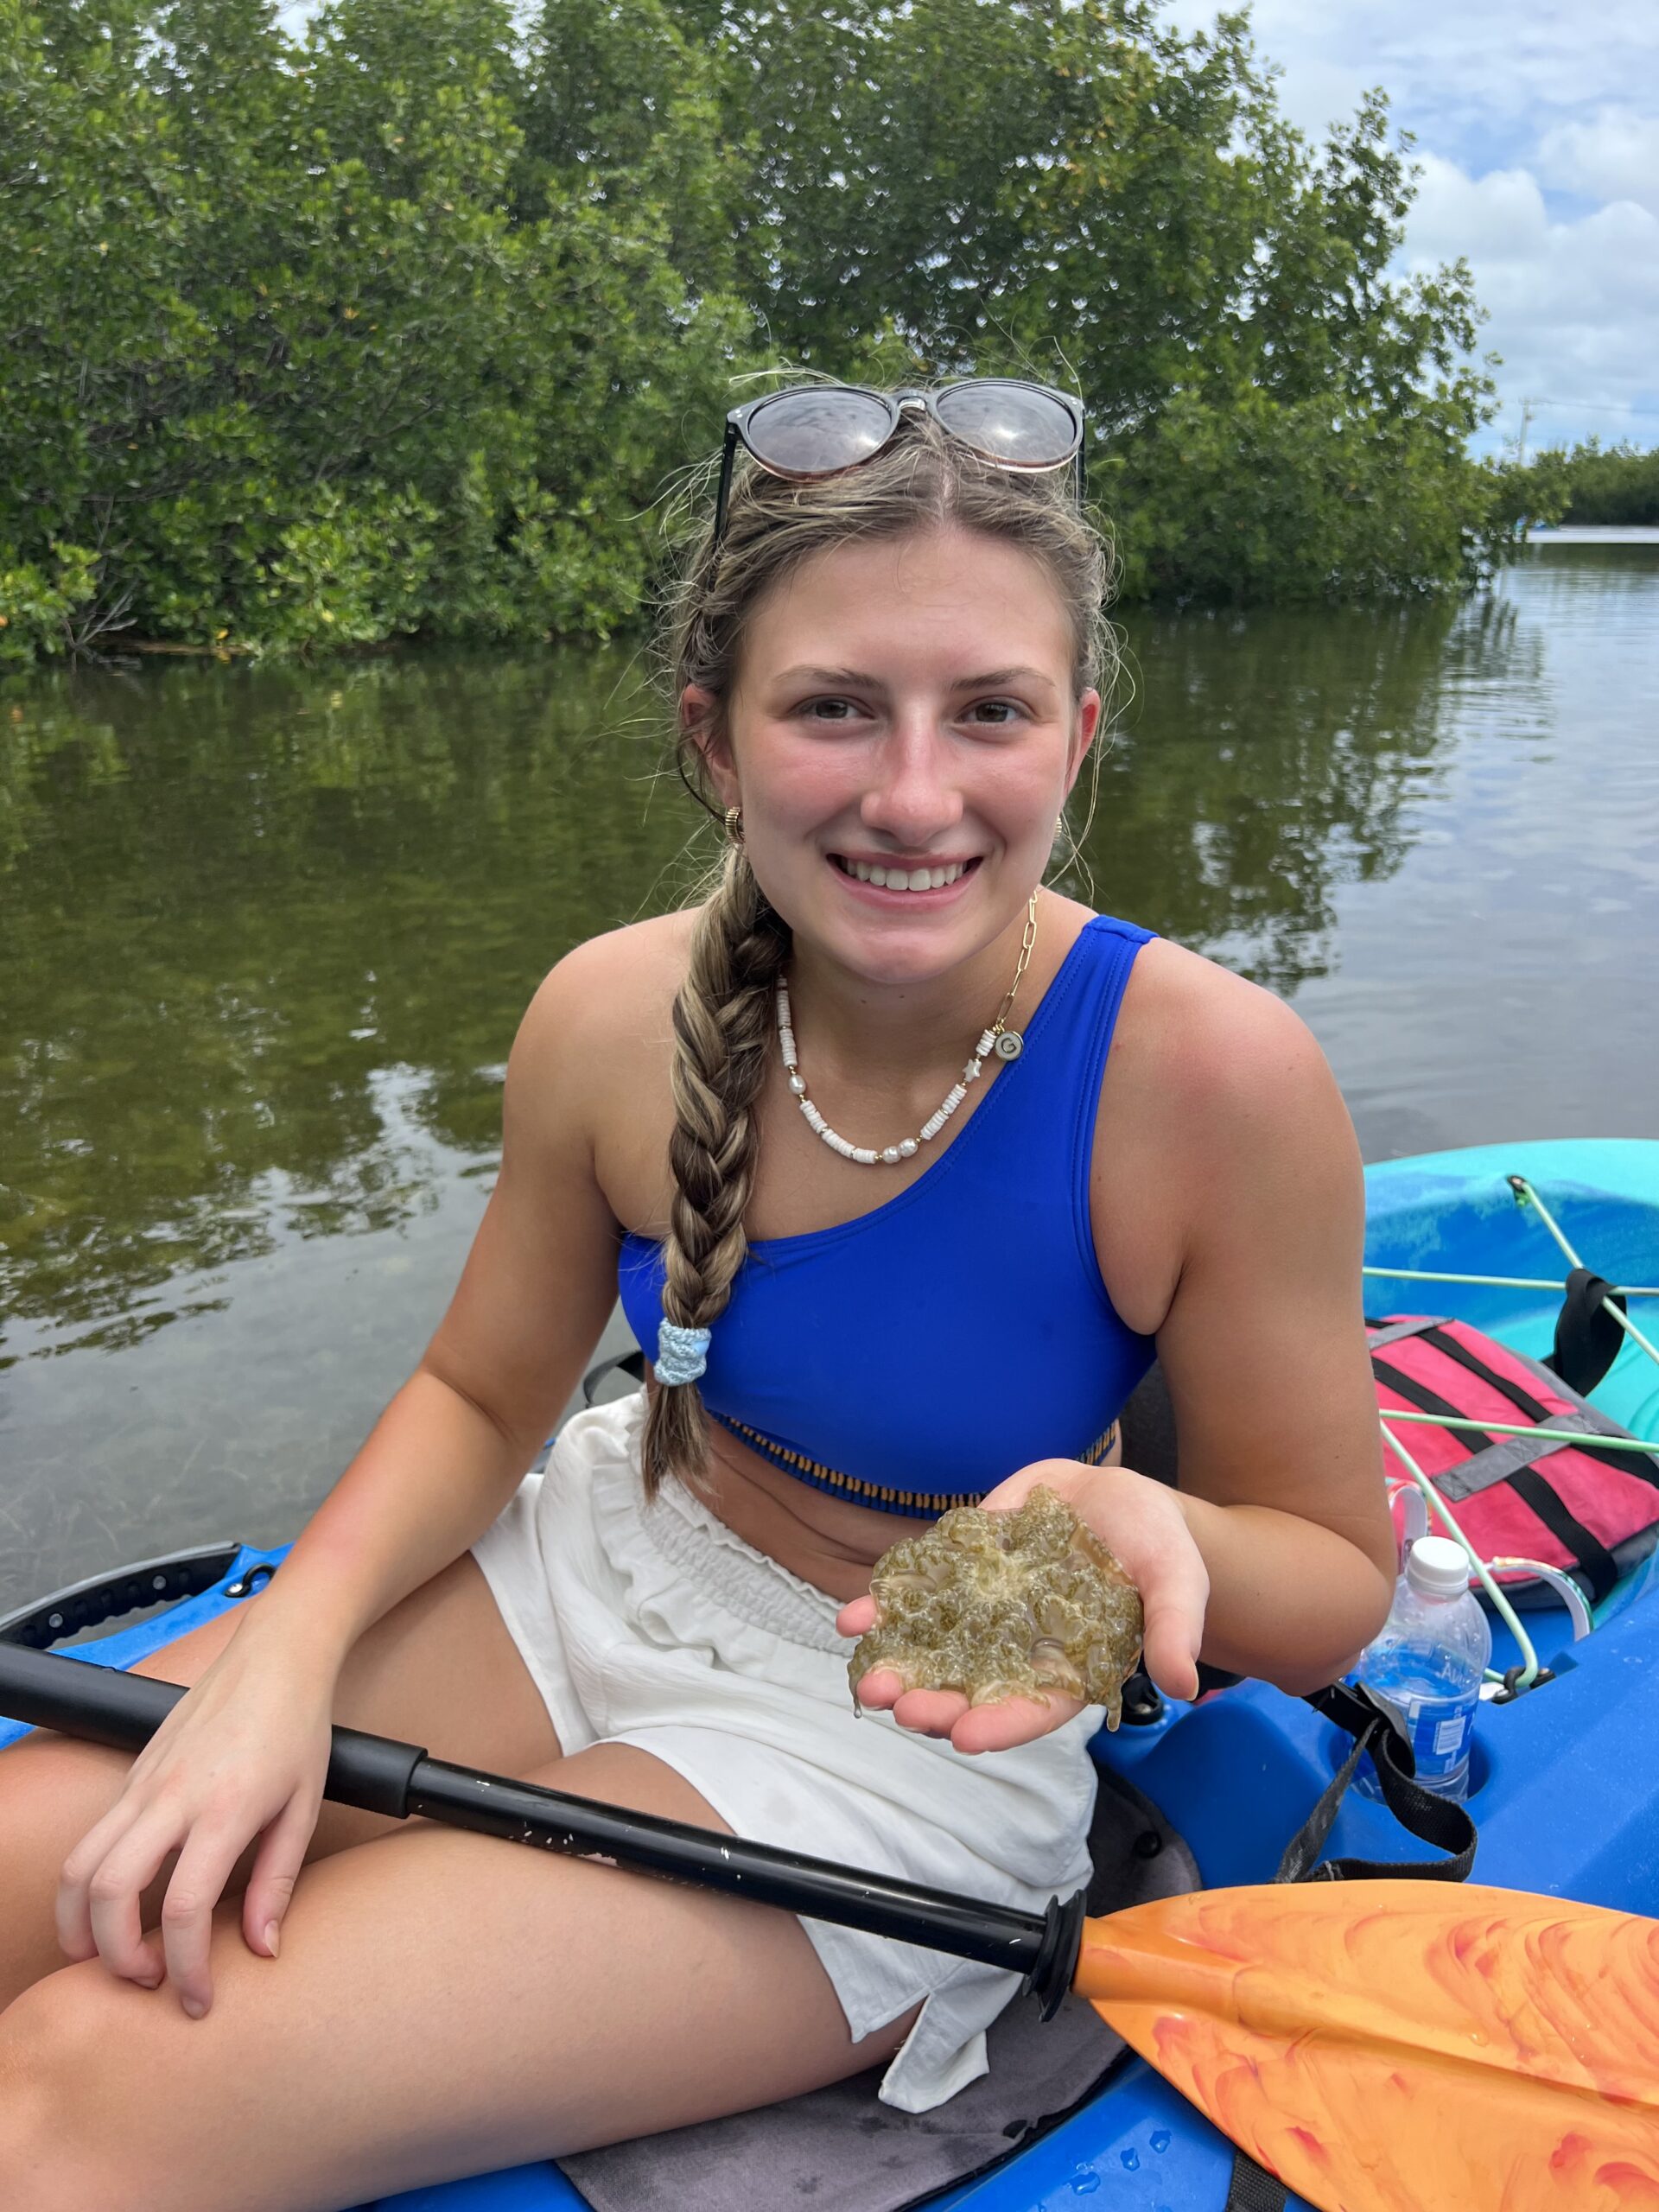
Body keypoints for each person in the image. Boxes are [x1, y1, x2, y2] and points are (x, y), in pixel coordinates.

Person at [0, 383, 1396, 2208]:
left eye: (990, 709)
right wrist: (286, 1655)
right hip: (598, 1555)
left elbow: (1337, 1578)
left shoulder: (1218, 1082)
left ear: (1080, 738)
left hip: (893, 1735)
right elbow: (483, 1397)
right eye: (833, 706)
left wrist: (1145, 1521)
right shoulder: (604, 1014)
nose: (914, 792)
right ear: (715, 741)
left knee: (86, 2083)